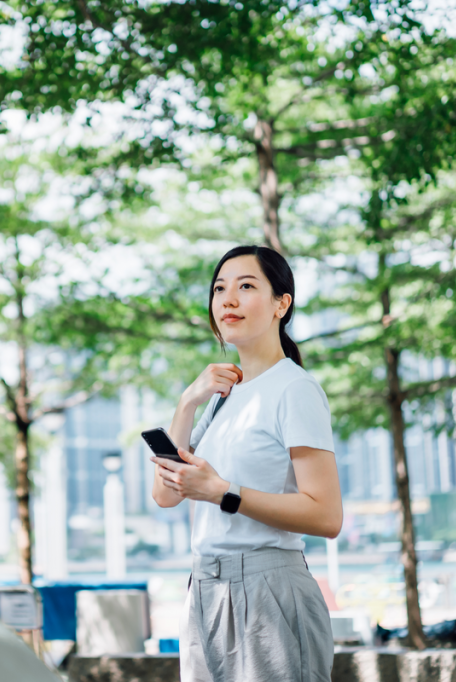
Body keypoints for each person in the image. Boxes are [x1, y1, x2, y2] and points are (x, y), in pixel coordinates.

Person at [151, 245, 342, 682]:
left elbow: (327, 515)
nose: (228, 300)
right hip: (203, 591)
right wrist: (187, 403)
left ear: (282, 303)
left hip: (267, 590)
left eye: (246, 286)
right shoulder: (223, 396)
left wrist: (223, 492)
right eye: (220, 289)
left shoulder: (295, 389)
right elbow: (165, 494)